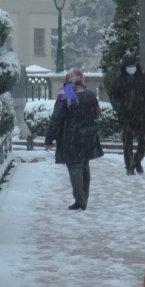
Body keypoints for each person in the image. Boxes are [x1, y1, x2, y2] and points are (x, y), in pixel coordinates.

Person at [44, 67, 104, 210]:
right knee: (84, 166)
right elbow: (97, 115)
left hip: (71, 138)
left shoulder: (67, 95)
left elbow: (56, 119)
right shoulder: (90, 94)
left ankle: (80, 200)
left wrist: (48, 140)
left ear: (68, 80)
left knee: (74, 167)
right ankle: (84, 197)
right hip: (88, 137)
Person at [109, 53, 145, 175]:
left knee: (143, 142)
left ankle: (136, 160)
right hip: (126, 116)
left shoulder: (143, 78)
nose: (131, 67)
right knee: (127, 142)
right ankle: (129, 165)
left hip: (141, 116)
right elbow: (113, 96)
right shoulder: (119, 79)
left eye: (133, 65)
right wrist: (119, 108)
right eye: (129, 65)